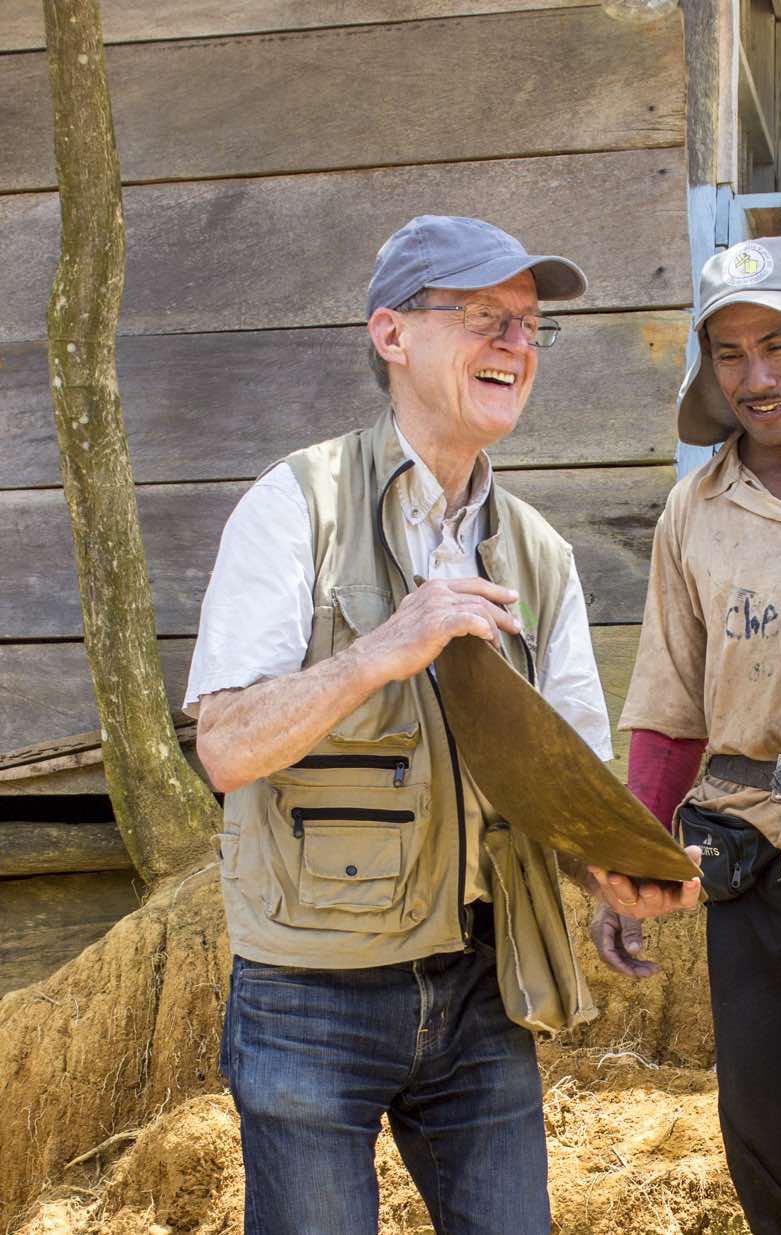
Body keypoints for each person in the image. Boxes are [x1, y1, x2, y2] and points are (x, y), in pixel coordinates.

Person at [186, 214, 699, 1235]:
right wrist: (383, 646)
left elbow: (563, 779)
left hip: (478, 984)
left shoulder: (536, 552)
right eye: (481, 318)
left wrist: (609, 877)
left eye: (526, 326)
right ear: (391, 334)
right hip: (307, 992)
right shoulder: (294, 508)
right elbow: (226, 745)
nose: (515, 345)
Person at [603, 235, 781, 1235]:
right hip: (747, 851)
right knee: (763, 1126)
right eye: (728, 353)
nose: (757, 377)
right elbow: (668, 704)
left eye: (777, 341)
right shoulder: (696, 508)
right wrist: (628, 856)